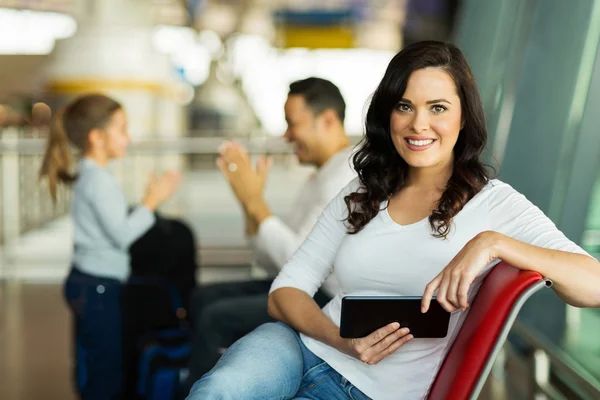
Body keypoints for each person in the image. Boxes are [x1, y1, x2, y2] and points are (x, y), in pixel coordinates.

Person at [187, 41, 600, 400]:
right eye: (405, 106)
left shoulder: (494, 205)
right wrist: (341, 340)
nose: (419, 124)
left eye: (437, 108)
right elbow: (285, 291)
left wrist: (493, 243)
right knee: (218, 391)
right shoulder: (361, 191)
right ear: (389, 115)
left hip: (371, 391)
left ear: (463, 117)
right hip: (299, 348)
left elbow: (593, 284)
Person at [187, 77, 357, 383]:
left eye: (293, 124)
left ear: (328, 120)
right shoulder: (318, 178)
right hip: (304, 286)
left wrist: (254, 201)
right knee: (201, 298)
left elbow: (296, 263)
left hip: (324, 299)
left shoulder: (346, 175)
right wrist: (248, 203)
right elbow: (270, 261)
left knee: (214, 317)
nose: (287, 135)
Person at [39, 94, 180, 400]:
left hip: (88, 283)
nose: (128, 137)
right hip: (99, 288)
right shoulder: (98, 180)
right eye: (122, 129)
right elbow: (122, 235)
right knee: (106, 371)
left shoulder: (91, 175)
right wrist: (152, 201)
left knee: (93, 364)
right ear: (97, 137)